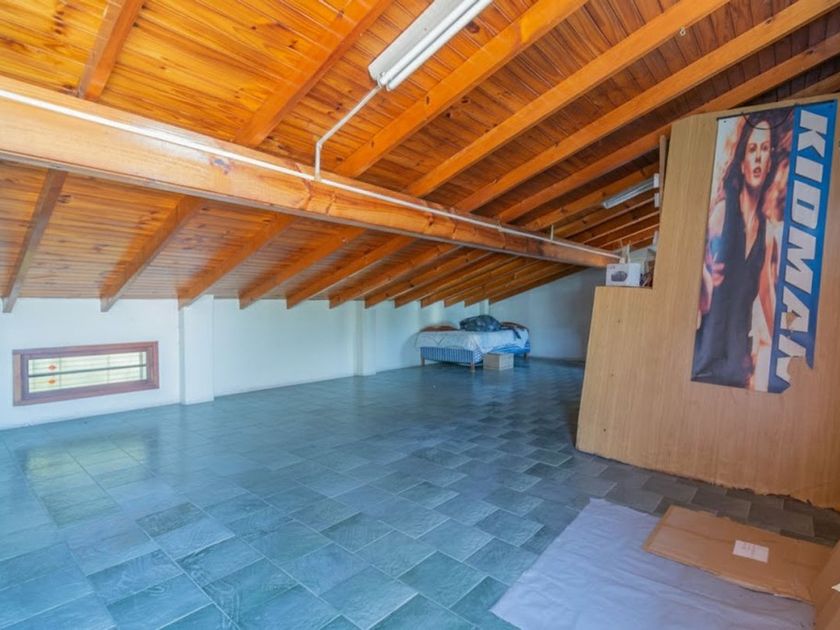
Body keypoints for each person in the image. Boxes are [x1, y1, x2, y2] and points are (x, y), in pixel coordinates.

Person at [693, 113, 780, 388]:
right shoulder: (721, 213)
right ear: (742, 162)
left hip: (738, 365)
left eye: (764, 149)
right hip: (704, 359)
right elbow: (696, 276)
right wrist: (705, 275)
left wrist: (784, 348)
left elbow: (766, 294)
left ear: (770, 163)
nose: (758, 157)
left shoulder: (767, 233)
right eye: (752, 149)